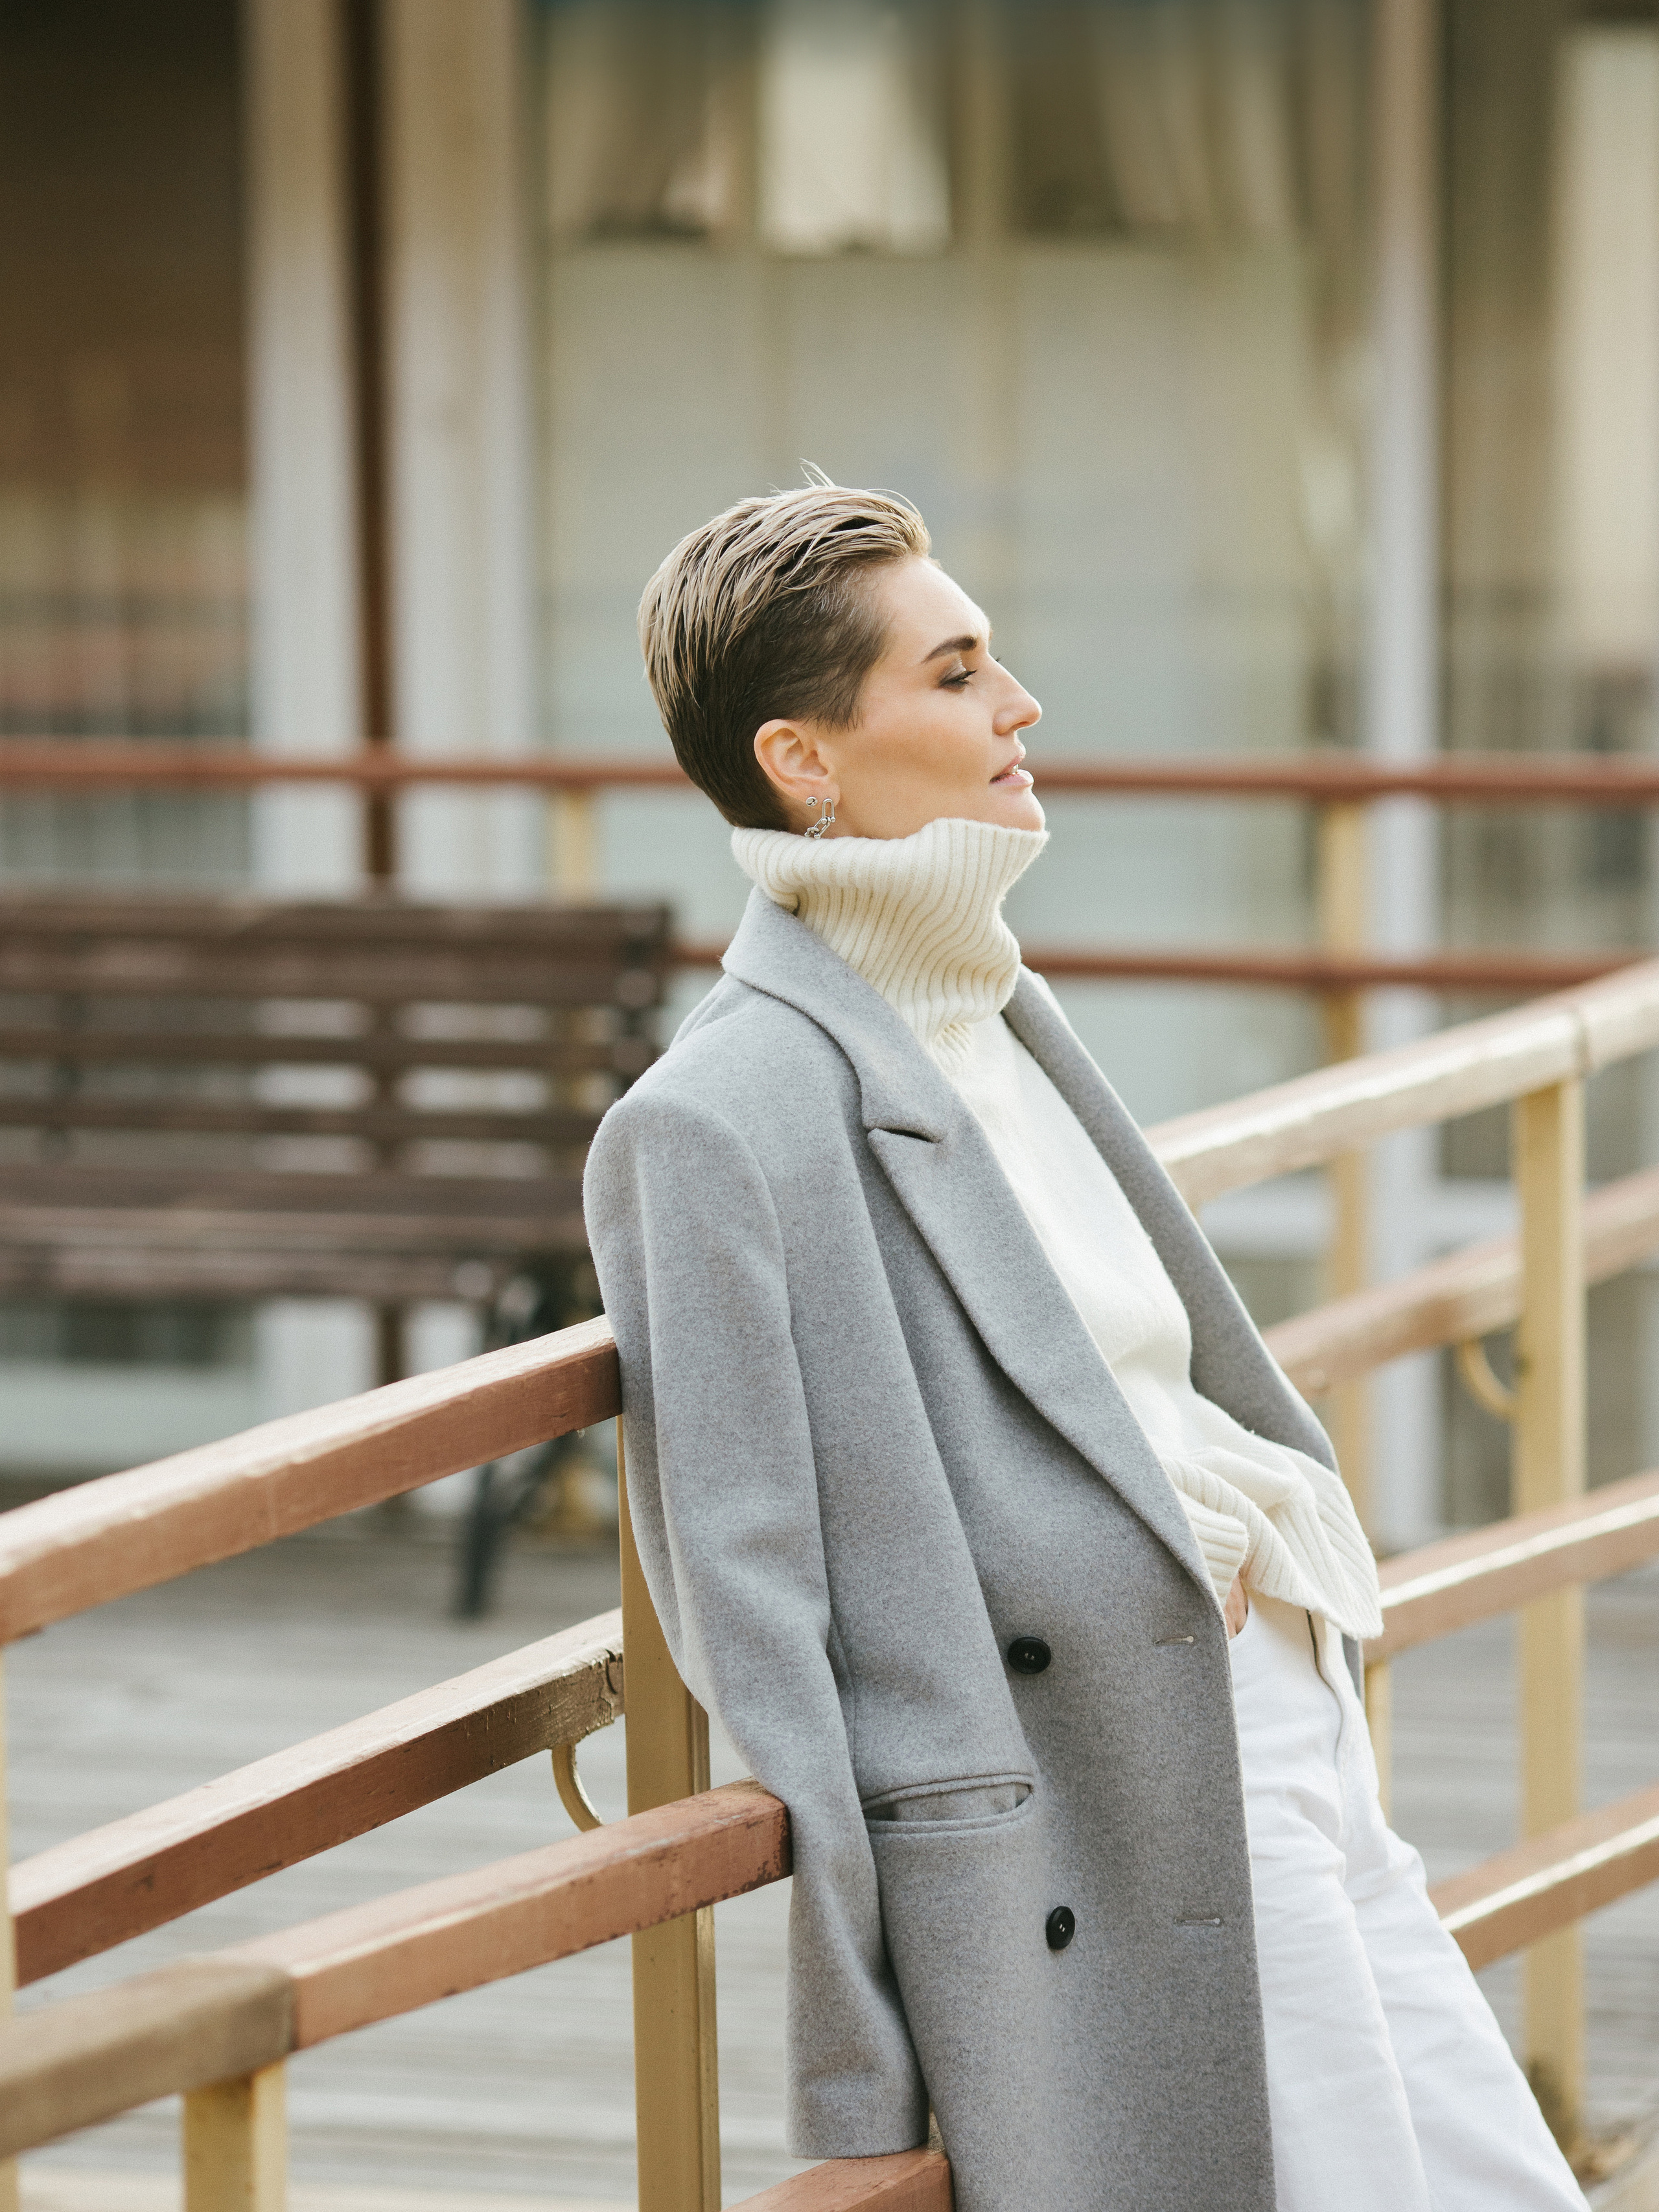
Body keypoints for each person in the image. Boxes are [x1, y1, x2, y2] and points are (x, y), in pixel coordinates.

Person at [583, 480, 1589, 2212]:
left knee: (1499, 2183)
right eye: (957, 672)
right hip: (1112, 1798)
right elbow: (757, 1627)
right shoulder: (717, 1120)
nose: (1018, 703)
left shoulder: (991, 997)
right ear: (804, 760)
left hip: (1283, 1705)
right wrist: (863, 2080)